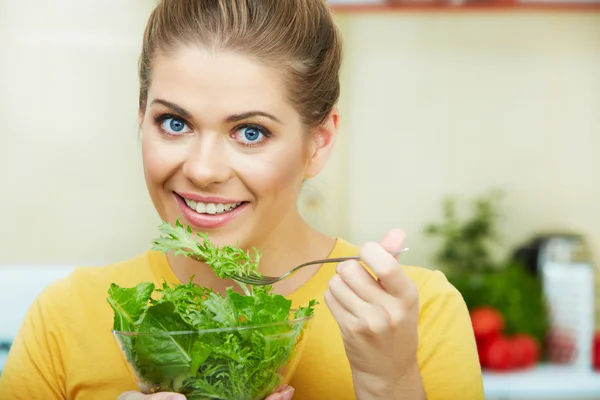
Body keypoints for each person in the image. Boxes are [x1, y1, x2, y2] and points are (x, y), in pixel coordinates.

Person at [0, 0, 484, 399]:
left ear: (319, 141)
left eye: (250, 132)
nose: (203, 170)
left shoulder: (414, 321)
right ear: (141, 115)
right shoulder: (65, 319)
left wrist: (389, 381)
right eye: (175, 123)